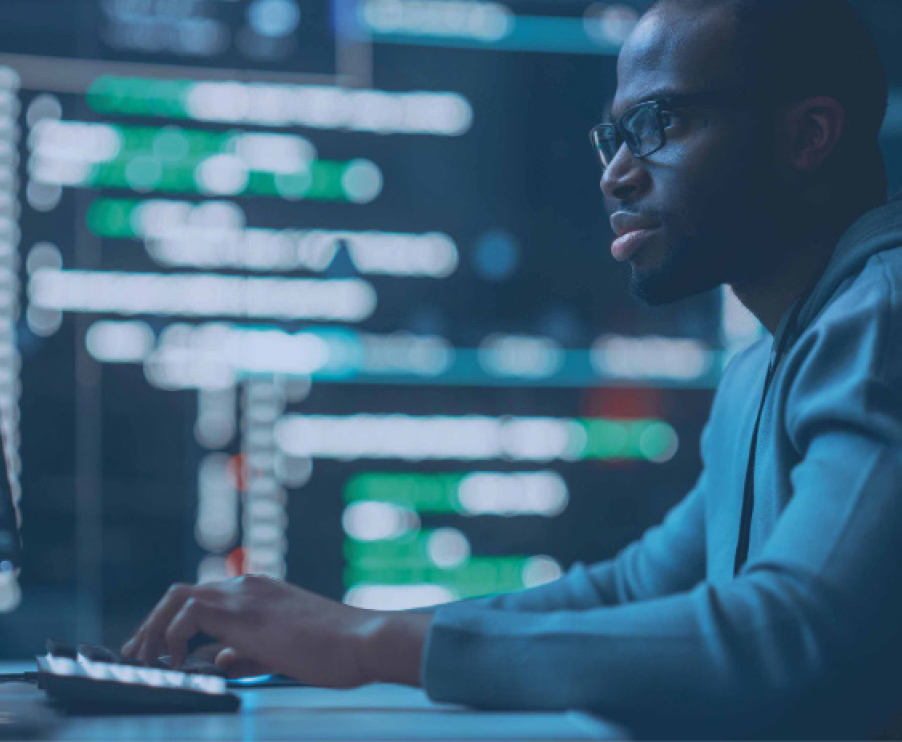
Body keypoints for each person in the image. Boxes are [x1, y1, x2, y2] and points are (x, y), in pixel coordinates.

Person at [122, 0, 902, 736]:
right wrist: (331, 629)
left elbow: (796, 629)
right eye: (615, 137)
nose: (617, 174)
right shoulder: (768, 358)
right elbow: (633, 589)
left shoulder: (883, 315)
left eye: (660, 123)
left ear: (808, 137)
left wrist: (368, 646)